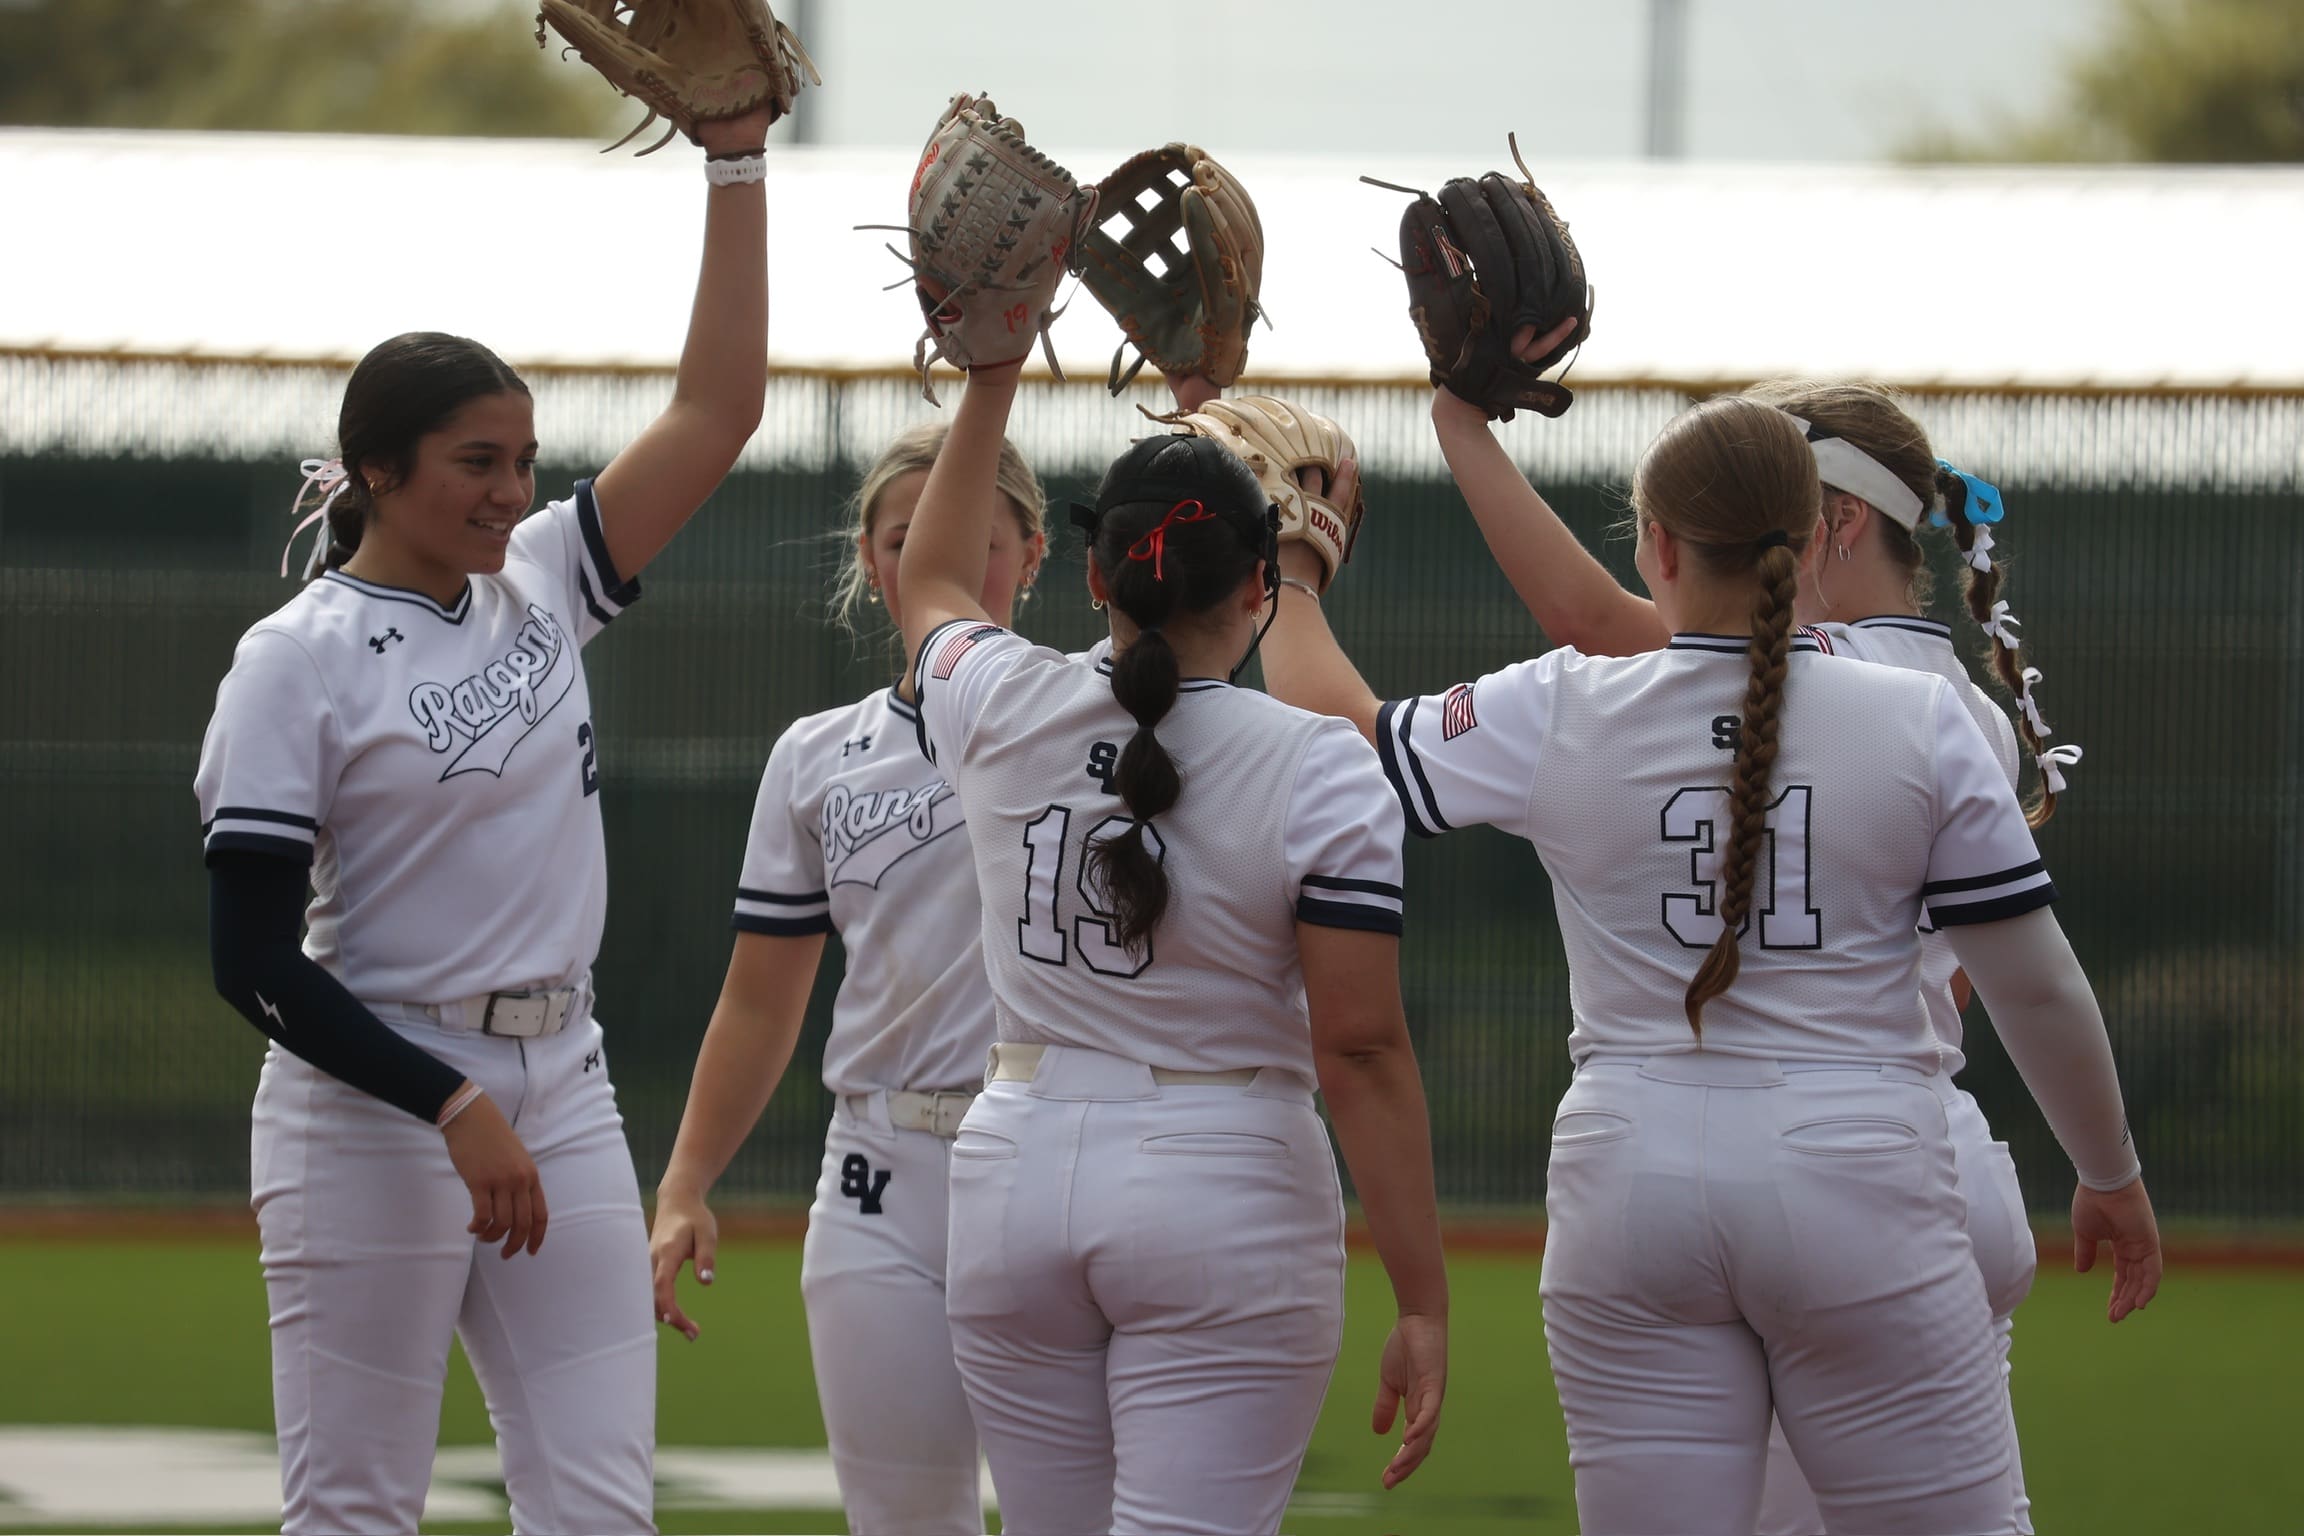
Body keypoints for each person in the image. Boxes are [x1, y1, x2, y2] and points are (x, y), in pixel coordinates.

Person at [1258, 393, 2161, 1535]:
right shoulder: (1922, 718)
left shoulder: (1560, 702)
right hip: (1861, 1162)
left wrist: (1284, 576)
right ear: (1808, 536)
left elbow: (1341, 741)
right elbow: (2033, 983)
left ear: (1658, 546)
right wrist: (2110, 1170)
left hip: (1631, 1174)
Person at [194, 107, 773, 1535]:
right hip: (374, 1099)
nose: (513, 493)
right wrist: (447, 1103)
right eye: (475, 463)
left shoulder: (543, 583)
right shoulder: (298, 659)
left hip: (563, 1084)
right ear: (379, 470)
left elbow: (720, 412)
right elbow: (254, 961)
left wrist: (738, 163)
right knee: (355, 1512)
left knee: (599, 1508)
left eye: (524, 460)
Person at [891, 357, 1450, 1536]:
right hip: (1223, 1176)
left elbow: (933, 578)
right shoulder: (1320, 761)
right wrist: (1423, 1297)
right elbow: (1358, 1050)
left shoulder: (995, 698)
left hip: (1013, 1172)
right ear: (1258, 584)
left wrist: (991, 374)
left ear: (1094, 572)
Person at [646, 421, 1048, 1535]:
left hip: (1054, 1156)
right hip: (880, 1171)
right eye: (912, 537)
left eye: (980, 537)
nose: (947, 561)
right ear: (875, 561)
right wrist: (685, 1182)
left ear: (1037, 549)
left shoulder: (1090, 717)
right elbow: (760, 998)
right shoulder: (818, 755)